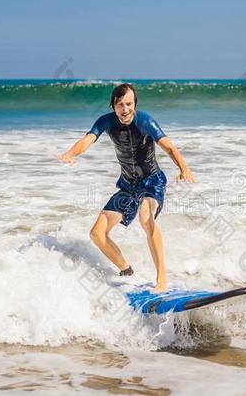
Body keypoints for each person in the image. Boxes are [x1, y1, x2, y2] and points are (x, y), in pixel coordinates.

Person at [58, 83, 194, 291]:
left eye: (129, 104)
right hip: (128, 186)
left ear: (135, 104)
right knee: (97, 233)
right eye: (120, 104)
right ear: (113, 106)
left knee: (145, 217)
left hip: (152, 181)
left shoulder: (145, 121)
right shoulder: (107, 121)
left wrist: (184, 168)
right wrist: (70, 153)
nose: (125, 109)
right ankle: (126, 270)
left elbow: (168, 146)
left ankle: (162, 280)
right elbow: (88, 139)